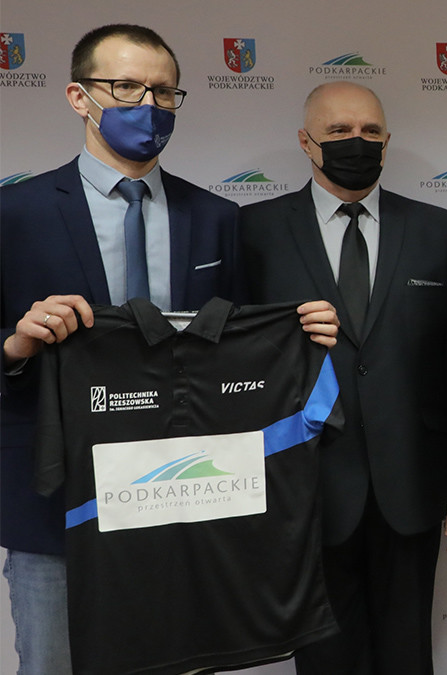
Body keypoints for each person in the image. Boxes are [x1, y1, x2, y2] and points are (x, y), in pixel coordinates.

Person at [0, 24, 337, 674]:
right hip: (58, 502)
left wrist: (301, 332)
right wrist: (15, 343)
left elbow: (232, 352)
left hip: (180, 498)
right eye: (126, 87)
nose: (148, 105)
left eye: (163, 91)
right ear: (78, 96)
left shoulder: (214, 217)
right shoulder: (15, 213)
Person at [238, 80, 447, 675]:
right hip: (304, 486)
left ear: (387, 140)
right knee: (326, 659)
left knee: (407, 655)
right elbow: (235, 365)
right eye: (339, 131)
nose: (358, 141)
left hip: (412, 485)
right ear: (306, 142)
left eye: (371, 131)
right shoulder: (254, 230)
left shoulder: (437, 228)